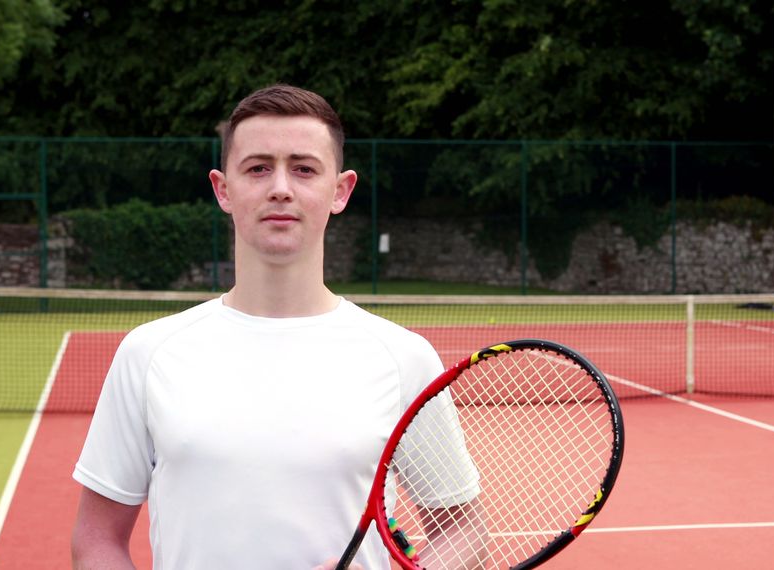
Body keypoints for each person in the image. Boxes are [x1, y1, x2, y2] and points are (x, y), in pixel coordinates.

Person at [71, 84, 486, 569]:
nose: (281, 187)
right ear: (223, 189)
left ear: (340, 190)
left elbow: (462, 526)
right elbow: (97, 539)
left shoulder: (404, 358)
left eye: (304, 168)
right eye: (258, 167)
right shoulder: (149, 353)